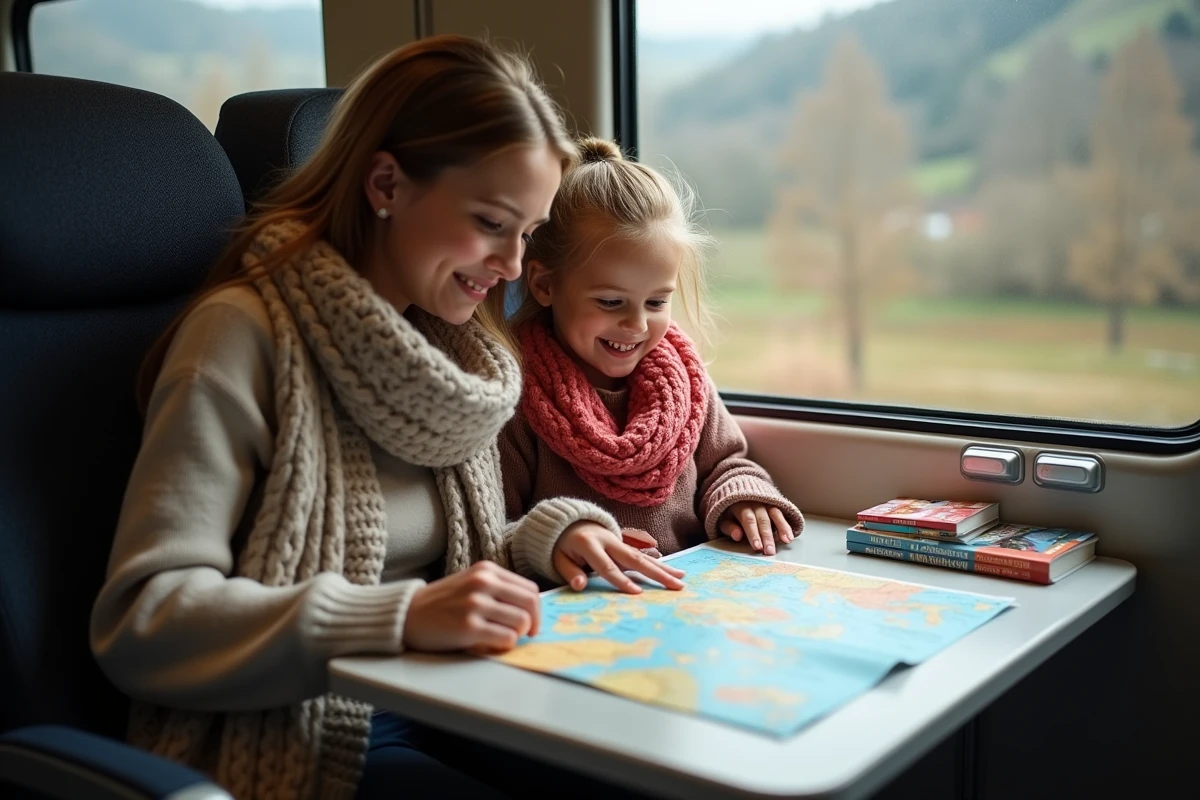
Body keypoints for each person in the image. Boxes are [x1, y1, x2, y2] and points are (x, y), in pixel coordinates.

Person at [89, 37, 683, 800]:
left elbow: (441, 553)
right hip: (305, 729)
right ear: (386, 184)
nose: (510, 266)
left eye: (527, 234)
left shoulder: (450, 345)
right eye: (491, 222)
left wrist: (550, 535)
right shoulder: (242, 337)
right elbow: (146, 621)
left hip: (455, 696)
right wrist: (397, 618)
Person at [501, 137, 805, 580]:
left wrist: (743, 495)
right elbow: (492, 527)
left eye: (657, 303)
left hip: (683, 594)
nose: (637, 325)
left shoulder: (682, 379)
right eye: (610, 302)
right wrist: (559, 538)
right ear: (545, 285)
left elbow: (725, 462)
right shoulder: (518, 396)